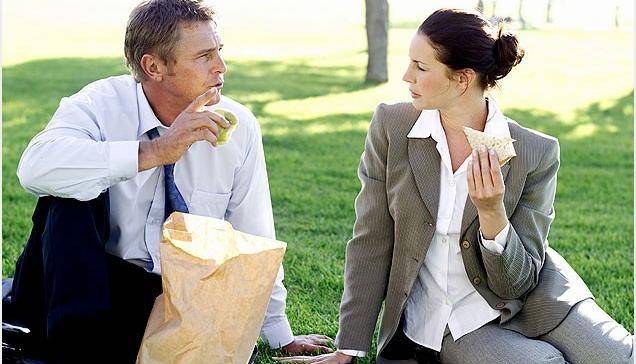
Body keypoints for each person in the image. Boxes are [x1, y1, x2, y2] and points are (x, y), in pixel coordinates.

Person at [278, 8, 633, 364]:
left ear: (462, 79)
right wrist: (348, 347)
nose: (406, 76)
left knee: (621, 358)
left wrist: (493, 213)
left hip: (540, 300)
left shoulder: (534, 152)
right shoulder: (393, 127)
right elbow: (370, 239)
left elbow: (519, 284)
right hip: (453, 321)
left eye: (420, 67)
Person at [6, 0, 332, 362]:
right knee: (70, 190)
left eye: (219, 52)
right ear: (154, 66)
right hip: (89, 283)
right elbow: (34, 168)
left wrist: (277, 332)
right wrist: (155, 151)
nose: (221, 68)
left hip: (174, 296)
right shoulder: (100, 105)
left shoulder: (238, 126)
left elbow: (253, 234)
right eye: (205, 56)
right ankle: (69, 344)